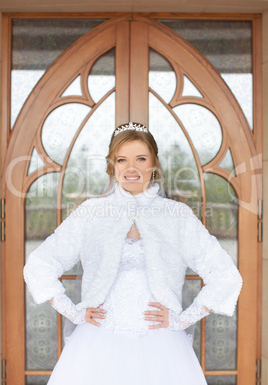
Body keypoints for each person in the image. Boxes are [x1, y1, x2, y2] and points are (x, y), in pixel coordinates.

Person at [24, 121, 243, 385]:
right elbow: (39, 264)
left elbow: (225, 275)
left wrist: (183, 318)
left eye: (141, 158)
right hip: (96, 342)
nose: (131, 168)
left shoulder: (176, 216)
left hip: (162, 346)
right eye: (121, 160)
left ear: (154, 165)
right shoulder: (91, 213)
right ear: (112, 166)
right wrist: (72, 312)